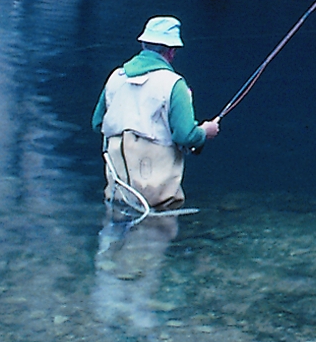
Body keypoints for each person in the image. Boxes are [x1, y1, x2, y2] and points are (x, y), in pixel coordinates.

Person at [92, 16, 220, 211]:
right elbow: (186, 136)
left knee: (113, 237)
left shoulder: (116, 77)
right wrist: (205, 131)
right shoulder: (174, 85)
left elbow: (97, 123)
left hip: (118, 192)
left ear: (143, 44)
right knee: (155, 238)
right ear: (171, 51)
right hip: (156, 200)